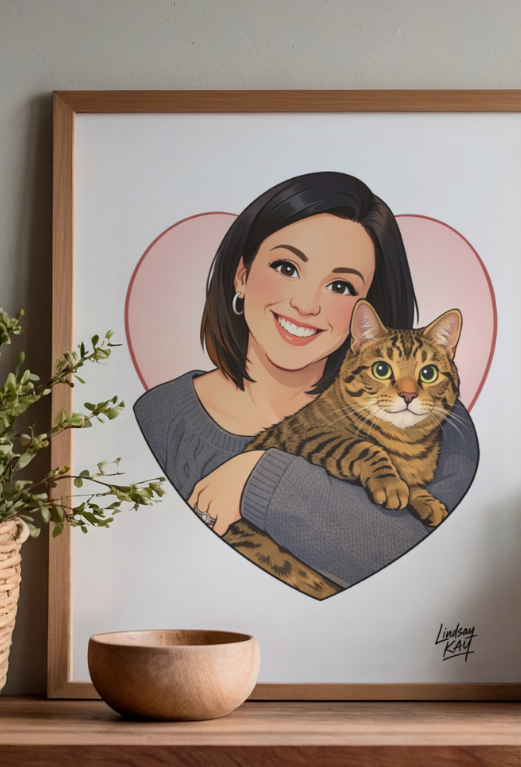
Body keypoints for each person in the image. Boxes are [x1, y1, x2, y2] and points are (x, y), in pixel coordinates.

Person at [134, 171, 479, 591]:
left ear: (366, 310)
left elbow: (431, 578)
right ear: (241, 275)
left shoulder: (445, 426)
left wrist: (255, 476)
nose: (306, 303)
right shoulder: (158, 418)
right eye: (286, 267)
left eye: (340, 285)